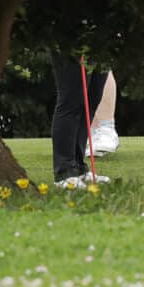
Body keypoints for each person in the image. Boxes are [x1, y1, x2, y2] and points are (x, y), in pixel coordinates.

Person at [50, 53, 112, 188]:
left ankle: (78, 168)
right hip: (73, 43)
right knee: (72, 99)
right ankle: (64, 172)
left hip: (101, 44)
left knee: (91, 99)